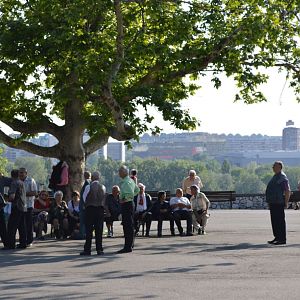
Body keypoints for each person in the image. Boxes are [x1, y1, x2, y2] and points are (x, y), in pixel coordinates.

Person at [80, 171, 108, 256]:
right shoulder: (103, 187)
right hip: (100, 210)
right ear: (99, 178)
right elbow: (104, 198)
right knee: (99, 230)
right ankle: (99, 249)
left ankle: (87, 249)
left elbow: (84, 198)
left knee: (89, 230)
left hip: (90, 209)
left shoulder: (88, 187)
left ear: (92, 178)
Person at [266, 161, 291, 245]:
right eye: (273, 166)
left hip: (278, 202)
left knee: (279, 221)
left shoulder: (282, 177)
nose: (273, 167)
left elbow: (287, 190)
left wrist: (286, 202)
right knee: (274, 221)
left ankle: (282, 239)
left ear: (279, 167)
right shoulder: (276, 176)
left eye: (274, 166)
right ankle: (277, 237)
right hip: (273, 202)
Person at [117, 165, 139, 254]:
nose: (118, 173)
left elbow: (130, 193)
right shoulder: (130, 180)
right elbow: (136, 190)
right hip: (129, 204)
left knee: (127, 226)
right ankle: (129, 245)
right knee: (128, 225)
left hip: (127, 204)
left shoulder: (126, 182)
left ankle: (128, 246)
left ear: (124, 172)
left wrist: (124, 199)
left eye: (119, 171)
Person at [5, 169, 27, 250]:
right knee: (22, 227)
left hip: (16, 206)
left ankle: (11, 245)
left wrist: (6, 198)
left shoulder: (14, 183)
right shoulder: (22, 182)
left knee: (11, 226)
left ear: (11, 175)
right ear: (18, 175)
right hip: (23, 206)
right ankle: (23, 243)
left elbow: (12, 196)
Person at [19, 167, 38, 247]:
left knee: (28, 224)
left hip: (29, 205)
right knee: (21, 225)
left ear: (26, 173)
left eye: (22, 172)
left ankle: (29, 241)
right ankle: (22, 241)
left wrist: (23, 194)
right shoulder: (17, 181)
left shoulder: (31, 180)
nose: (21, 174)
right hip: (20, 206)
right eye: (20, 172)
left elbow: (35, 192)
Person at [0, 173, 12, 248]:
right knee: (2, 226)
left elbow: (13, 181)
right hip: (0, 205)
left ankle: (7, 243)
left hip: (0, 205)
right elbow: (14, 181)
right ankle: (7, 244)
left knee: (2, 226)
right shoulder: (2, 179)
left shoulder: (2, 179)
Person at [79, 171, 91, 239]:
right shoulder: (90, 182)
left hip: (84, 205)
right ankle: (84, 233)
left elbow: (85, 196)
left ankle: (83, 234)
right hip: (86, 205)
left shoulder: (87, 183)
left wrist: (84, 204)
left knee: (83, 220)